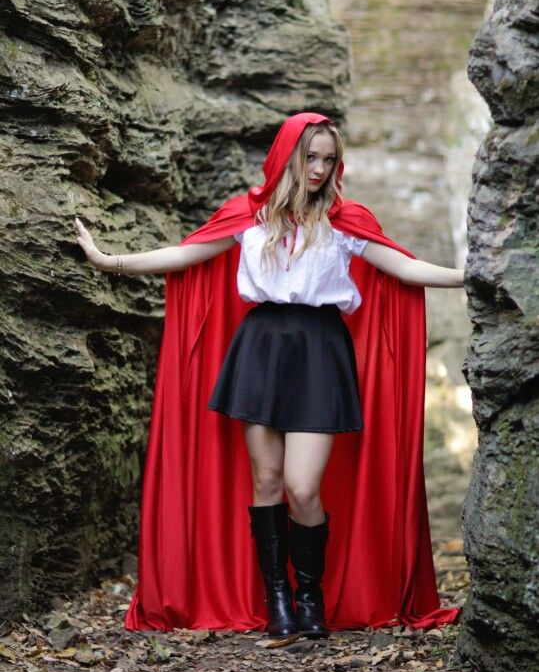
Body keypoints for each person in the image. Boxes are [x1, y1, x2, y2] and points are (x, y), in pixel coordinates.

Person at [75, 112, 463, 640]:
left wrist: (469, 276)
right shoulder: (247, 218)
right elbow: (186, 254)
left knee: (304, 488)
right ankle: (277, 600)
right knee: (267, 480)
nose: (320, 169)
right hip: (260, 350)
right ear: (288, 156)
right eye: (311, 157)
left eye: (329, 159)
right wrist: (109, 261)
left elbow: (404, 267)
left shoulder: (345, 223)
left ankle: (309, 593)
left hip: (321, 352)